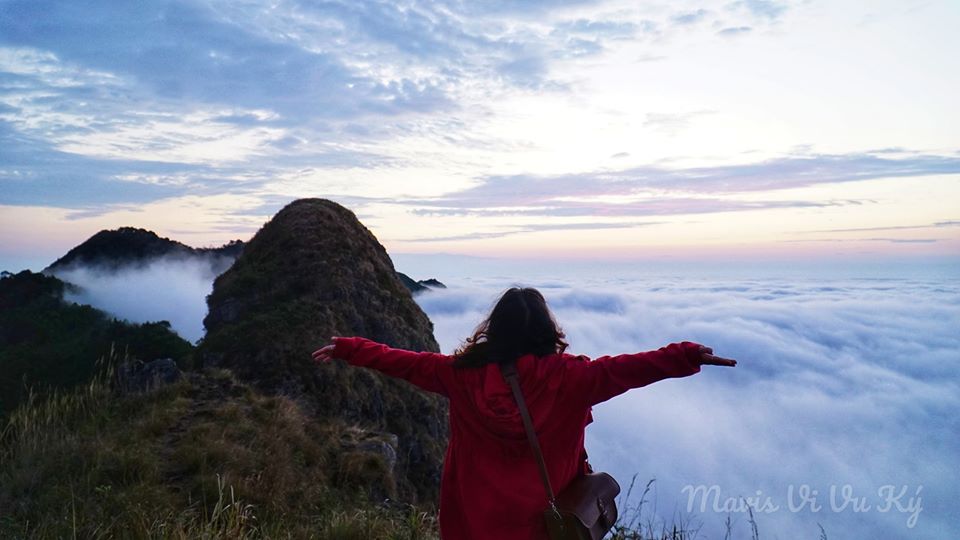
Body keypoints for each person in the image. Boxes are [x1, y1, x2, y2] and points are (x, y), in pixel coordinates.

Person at [312, 287, 736, 540]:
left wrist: (351, 347)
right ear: (547, 332)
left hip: (473, 522)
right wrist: (686, 355)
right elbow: (629, 368)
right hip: (544, 527)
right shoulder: (573, 379)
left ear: (494, 330)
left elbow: (403, 361)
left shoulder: (460, 376)